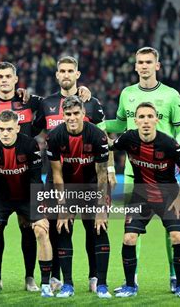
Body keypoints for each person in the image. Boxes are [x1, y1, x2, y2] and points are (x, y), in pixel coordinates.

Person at [106, 47, 180, 293]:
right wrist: (97, 124)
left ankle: (174, 277)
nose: (143, 66)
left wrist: (176, 151)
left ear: (157, 66)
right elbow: (120, 124)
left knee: (171, 228)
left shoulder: (171, 95)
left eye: (148, 62)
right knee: (132, 229)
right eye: (140, 62)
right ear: (135, 66)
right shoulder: (127, 93)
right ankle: (133, 279)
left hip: (164, 171)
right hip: (135, 171)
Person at [34, 56, 116, 292]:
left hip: (89, 179)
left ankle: (95, 278)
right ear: (57, 74)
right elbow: (31, 128)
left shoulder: (91, 103)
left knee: (94, 229)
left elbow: (104, 138)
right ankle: (59, 279)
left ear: (77, 74)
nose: (66, 74)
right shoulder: (46, 103)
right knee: (57, 226)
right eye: (62, 70)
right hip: (58, 178)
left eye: (71, 70)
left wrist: (110, 168)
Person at [111, 102, 180, 298]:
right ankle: (130, 286)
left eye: (149, 116)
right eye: (141, 117)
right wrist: (109, 169)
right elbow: (107, 147)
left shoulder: (169, 143)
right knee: (129, 238)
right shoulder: (129, 138)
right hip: (141, 195)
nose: (146, 121)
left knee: (177, 237)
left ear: (157, 119)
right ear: (136, 120)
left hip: (168, 196)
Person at [0, 61, 41, 291]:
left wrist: (83, 92)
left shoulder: (30, 102)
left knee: (29, 230)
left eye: (7, 76)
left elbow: (57, 103)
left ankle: (30, 277)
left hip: (25, 178)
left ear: (16, 80)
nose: (3, 80)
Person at [0, 110, 53, 297]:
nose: (5, 133)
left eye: (9, 129)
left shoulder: (30, 145)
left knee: (40, 230)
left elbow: (37, 179)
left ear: (17, 128)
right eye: (1, 129)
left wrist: (38, 214)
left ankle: (39, 282)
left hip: (27, 195)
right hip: (0, 196)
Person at [47, 96, 111, 299]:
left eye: (76, 113)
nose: (72, 118)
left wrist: (101, 208)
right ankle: (68, 285)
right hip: (68, 185)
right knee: (63, 228)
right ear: (63, 116)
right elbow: (57, 174)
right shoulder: (55, 136)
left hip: (92, 186)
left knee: (98, 229)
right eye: (68, 114)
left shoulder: (97, 135)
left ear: (83, 114)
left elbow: (101, 174)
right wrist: (63, 206)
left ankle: (100, 283)